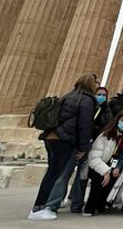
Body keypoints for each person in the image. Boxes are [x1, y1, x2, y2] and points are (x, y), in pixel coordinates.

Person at [28, 74, 96, 221]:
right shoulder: (86, 100)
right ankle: (41, 208)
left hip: (51, 138)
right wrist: (83, 147)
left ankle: (39, 206)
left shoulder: (67, 96)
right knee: (56, 174)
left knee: (51, 174)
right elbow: (84, 126)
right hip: (64, 141)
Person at [46, 86, 114, 215]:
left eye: (104, 95)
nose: (101, 97)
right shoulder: (86, 106)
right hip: (77, 145)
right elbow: (80, 126)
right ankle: (52, 204)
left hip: (92, 147)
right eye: (99, 94)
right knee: (65, 174)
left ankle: (77, 204)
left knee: (82, 177)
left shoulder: (106, 111)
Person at [83, 110, 123, 217]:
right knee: (100, 179)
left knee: (115, 177)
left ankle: (102, 204)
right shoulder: (105, 135)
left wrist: (117, 167)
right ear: (117, 121)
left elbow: (121, 156)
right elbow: (94, 157)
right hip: (96, 166)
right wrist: (106, 171)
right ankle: (89, 208)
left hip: (112, 166)